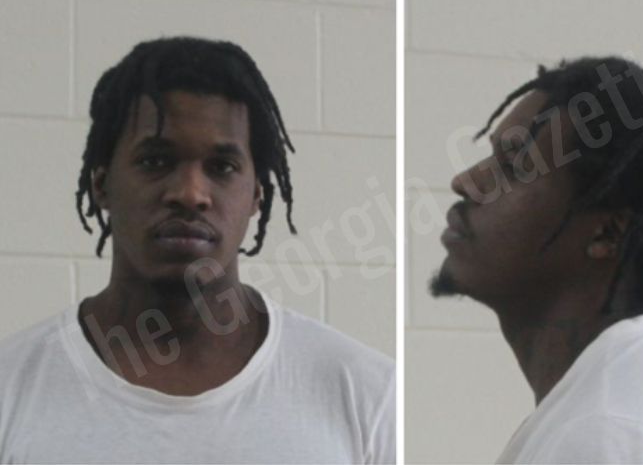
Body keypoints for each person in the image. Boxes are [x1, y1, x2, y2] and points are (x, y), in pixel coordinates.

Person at [0, 37, 395, 464]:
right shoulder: (13, 386)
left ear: (256, 195)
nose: (190, 193)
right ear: (102, 185)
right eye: (155, 161)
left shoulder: (366, 393)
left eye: (222, 167)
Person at [431, 56, 643, 464]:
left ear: (606, 234)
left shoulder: (610, 434)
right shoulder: (609, 406)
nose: (466, 181)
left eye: (514, 165)